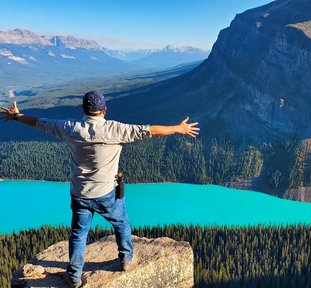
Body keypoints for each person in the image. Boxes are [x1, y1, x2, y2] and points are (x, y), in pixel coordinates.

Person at [1, 91, 200, 288]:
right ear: (104, 110)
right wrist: (178, 128)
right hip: (107, 193)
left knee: (79, 234)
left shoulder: (70, 128)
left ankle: (75, 276)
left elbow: (39, 122)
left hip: (80, 193)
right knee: (121, 223)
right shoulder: (115, 129)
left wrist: (17, 116)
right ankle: (126, 260)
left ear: (83, 109)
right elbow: (149, 130)